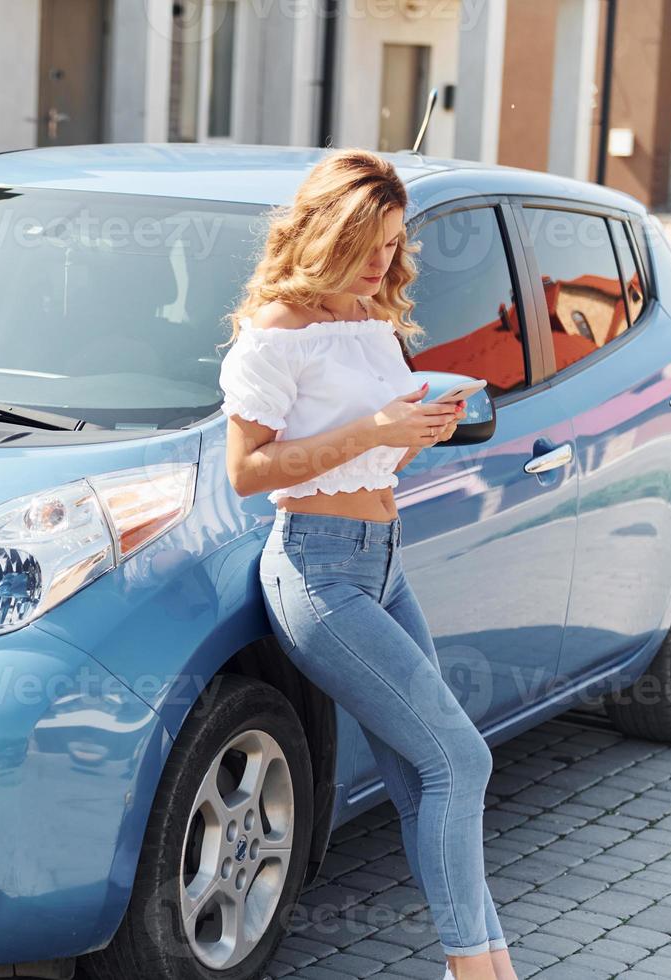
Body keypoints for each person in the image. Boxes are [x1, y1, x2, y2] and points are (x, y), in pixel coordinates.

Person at [219, 148, 513, 980]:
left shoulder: (368, 314)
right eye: (371, 243)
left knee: (425, 777)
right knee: (462, 759)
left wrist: (414, 433)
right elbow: (250, 472)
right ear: (328, 231)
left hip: (383, 559)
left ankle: (492, 965)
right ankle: (476, 971)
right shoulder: (274, 336)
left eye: (394, 243)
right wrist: (377, 432)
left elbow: (370, 444)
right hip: (319, 573)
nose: (386, 261)